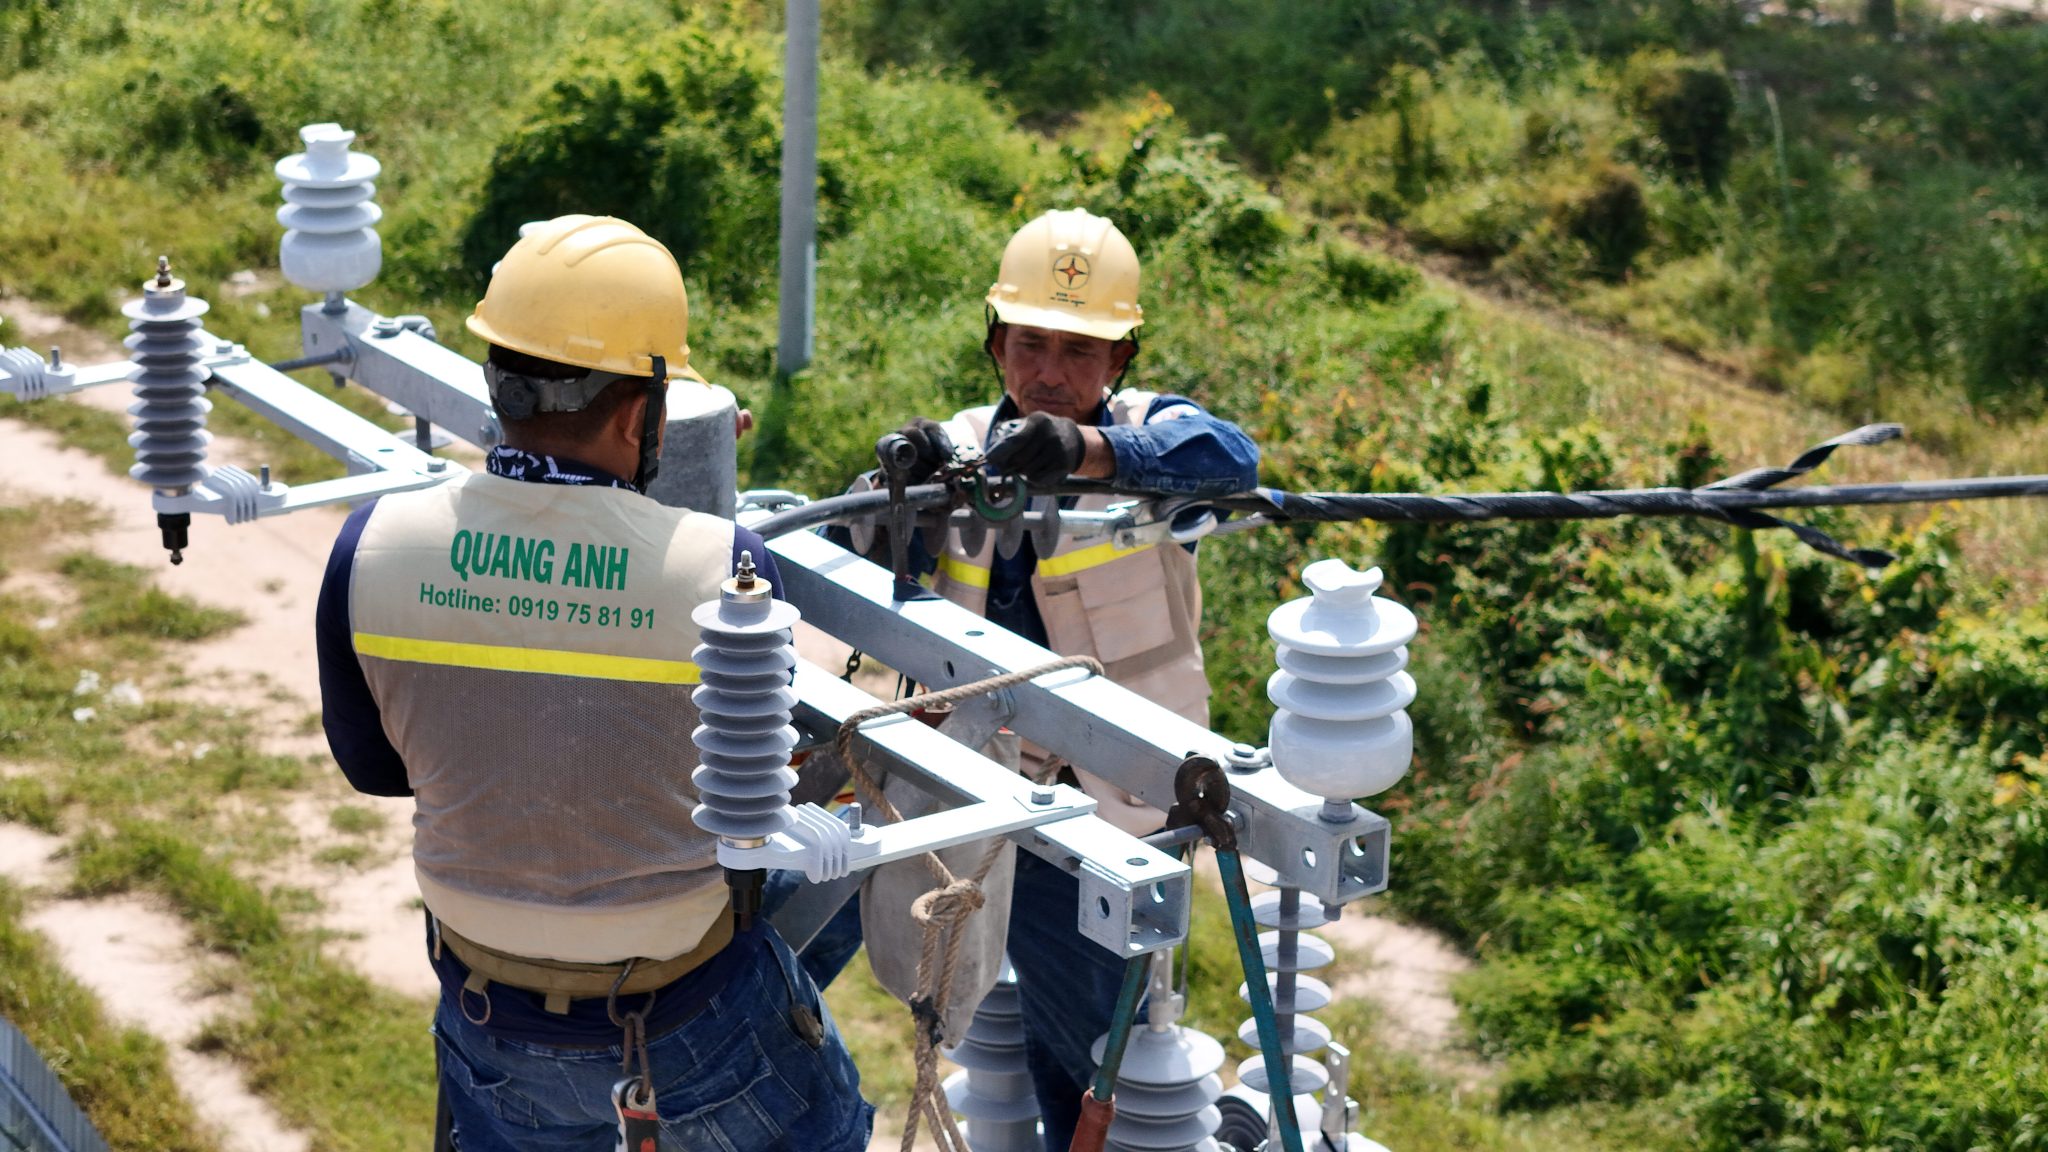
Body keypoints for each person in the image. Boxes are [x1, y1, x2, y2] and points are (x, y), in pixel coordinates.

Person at [315, 215, 873, 1152]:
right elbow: (748, 794)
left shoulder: (369, 546)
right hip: (686, 1026)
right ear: (635, 414)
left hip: (494, 1025)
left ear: (498, 379)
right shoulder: (722, 570)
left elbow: (377, 770)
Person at [810, 207, 1259, 1151]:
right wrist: (899, 498)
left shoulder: (1153, 440)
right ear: (995, 344)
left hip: (1106, 812)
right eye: (1031, 343)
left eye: (1082, 351)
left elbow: (1231, 458)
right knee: (821, 961)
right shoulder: (966, 448)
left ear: (1122, 360)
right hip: (964, 795)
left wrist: (1089, 456)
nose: (1053, 372)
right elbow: (842, 554)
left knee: (1091, 1056)